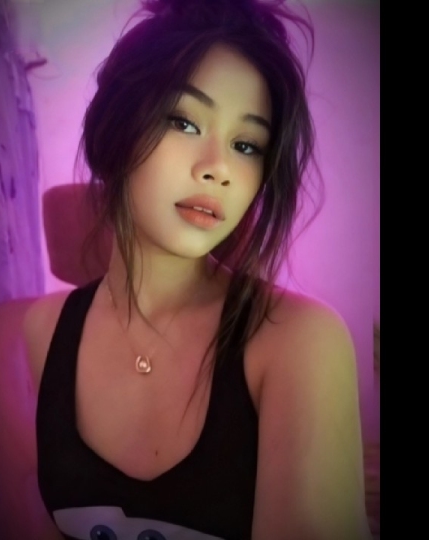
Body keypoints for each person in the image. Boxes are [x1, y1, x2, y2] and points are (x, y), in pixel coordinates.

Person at [24, 0, 372, 538]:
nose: (219, 168)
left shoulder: (298, 341)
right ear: (114, 130)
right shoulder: (43, 331)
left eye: (246, 144)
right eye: (185, 122)